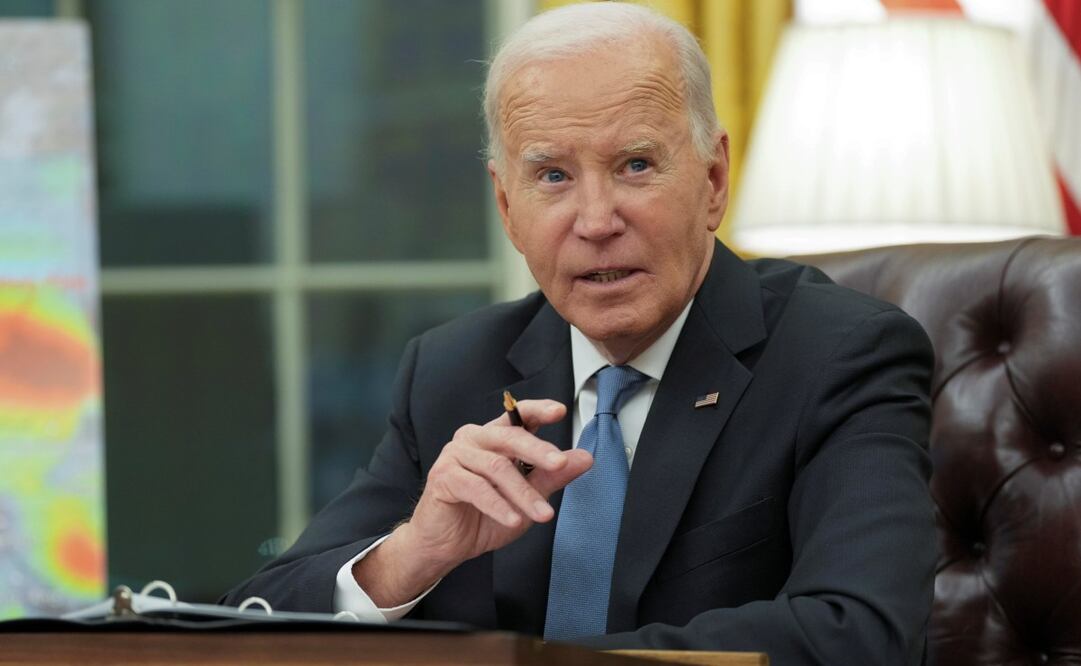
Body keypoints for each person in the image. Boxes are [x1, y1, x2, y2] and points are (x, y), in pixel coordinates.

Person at [223, 3, 936, 663]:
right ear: (507, 207)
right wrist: (410, 555)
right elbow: (251, 620)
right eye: (554, 176)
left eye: (634, 165)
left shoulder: (838, 353)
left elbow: (861, 631)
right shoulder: (451, 370)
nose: (595, 221)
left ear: (712, 179)